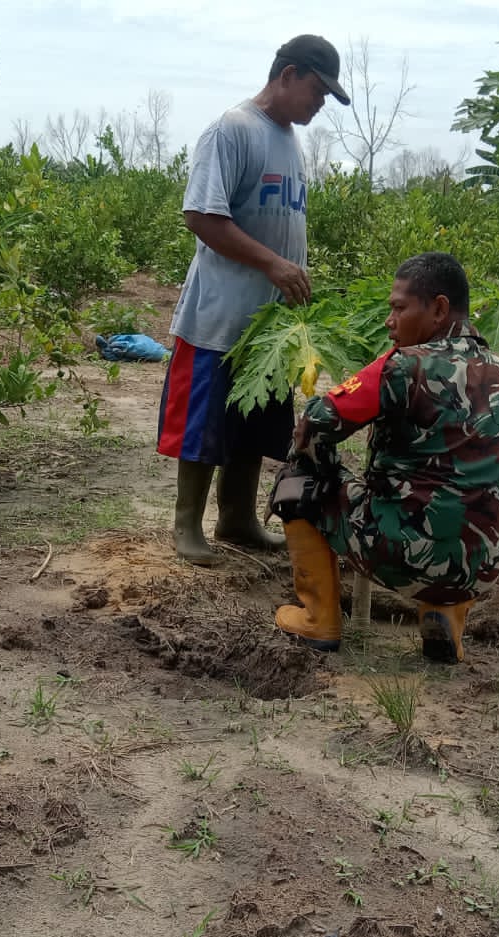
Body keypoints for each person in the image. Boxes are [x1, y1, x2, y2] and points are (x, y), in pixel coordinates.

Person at [267, 252, 499, 663]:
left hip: (398, 555)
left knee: (296, 479)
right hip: (481, 569)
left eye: (399, 308)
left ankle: (318, 620)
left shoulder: (403, 366)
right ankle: (445, 616)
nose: (389, 321)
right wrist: (479, 512)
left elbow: (315, 422)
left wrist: (327, 470)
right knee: (459, 523)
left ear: (438, 309)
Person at [156, 33, 349, 565]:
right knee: (204, 426)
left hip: (268, 330)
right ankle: (185, 527)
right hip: (219, 318)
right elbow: (201, 216)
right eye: (317, 90)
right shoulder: (232, 130)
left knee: (249, 425)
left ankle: (236, 520)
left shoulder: (289, 140)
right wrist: (271, 263)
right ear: (287, 75)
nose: (320, 103)